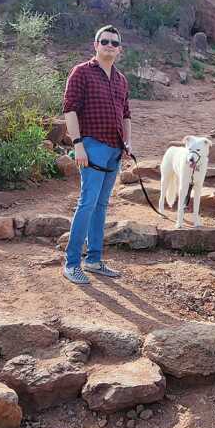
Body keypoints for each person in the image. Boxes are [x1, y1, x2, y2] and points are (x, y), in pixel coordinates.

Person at [61, 25, 132, 284]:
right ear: (96, 44)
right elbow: (69, 109)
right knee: (87, 203)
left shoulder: (121, 79)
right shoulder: (81, 72)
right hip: (91, 145)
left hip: (114, 148)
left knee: (101, 205)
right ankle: (72, 263)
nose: (109, 46)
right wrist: (78, 144)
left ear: (119, 49)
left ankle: (93, 260)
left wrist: (127, 143)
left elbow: (126, 114)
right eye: (105, 41)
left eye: (114, 43)